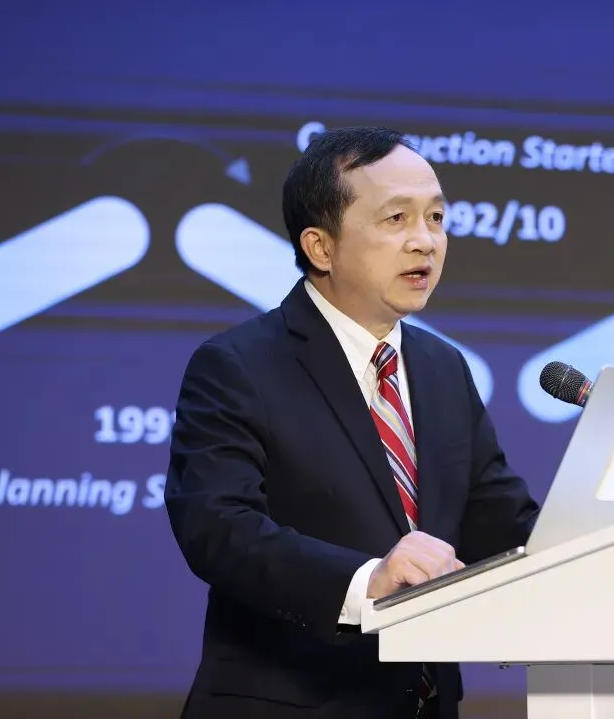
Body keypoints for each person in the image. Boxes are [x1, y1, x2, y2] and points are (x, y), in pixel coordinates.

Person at [163, 126, 540, 719]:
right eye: (397, 219)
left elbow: (499, 519)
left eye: (436, 218)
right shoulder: (238, 364)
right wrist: (368, 582)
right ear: (321, 247)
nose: (425, 241)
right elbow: (217, 528)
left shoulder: (443, 367)